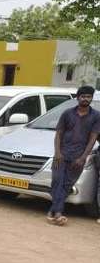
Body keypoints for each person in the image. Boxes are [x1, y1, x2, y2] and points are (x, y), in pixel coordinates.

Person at [48, 85, 99, 225]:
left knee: (67, 184)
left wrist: (83, 158)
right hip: (62, 155)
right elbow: (58, 134)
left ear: (91, 98)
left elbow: (93, 138)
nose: (85, 99)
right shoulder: (67, 113)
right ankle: (58, 213)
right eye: (83, 96)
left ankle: (54, 211)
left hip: (78, 157)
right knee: (57, 181)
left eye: (88, 97)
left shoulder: (96, 116)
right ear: (78, 98)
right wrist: (57, 152)